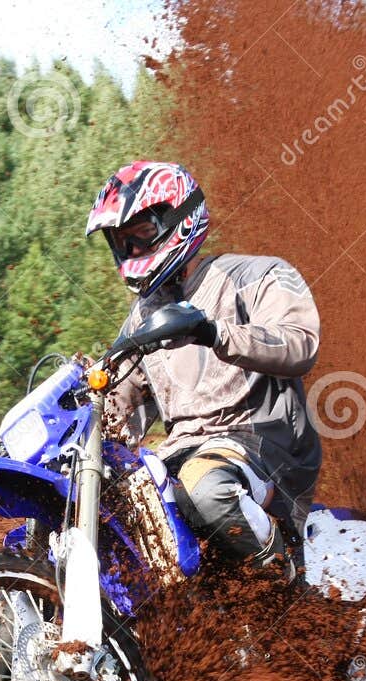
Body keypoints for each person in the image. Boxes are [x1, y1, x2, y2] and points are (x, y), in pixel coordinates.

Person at [86, 160, 322, 580]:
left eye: (141, 235)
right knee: (119, 510)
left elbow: (300, 344)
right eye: (122, 244)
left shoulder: (257, 275)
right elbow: (122, 402)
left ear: (178, 217)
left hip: (265, 447)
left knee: (204, 485)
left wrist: (213, 332)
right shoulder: (143, 316)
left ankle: (288, 586)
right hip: (184, 452)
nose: (134, 252)